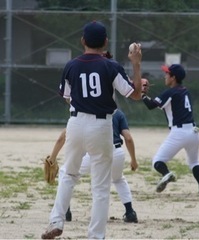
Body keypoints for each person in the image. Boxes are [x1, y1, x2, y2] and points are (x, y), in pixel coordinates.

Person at [41, 20, 142, 239]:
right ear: (105, 42)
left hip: (76, 123)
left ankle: (56, 221)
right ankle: (96, 236)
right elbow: (134, 95)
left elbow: (67, 97)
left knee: (68, 173)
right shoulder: (111, 66)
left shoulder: (71, 65)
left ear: (83, 41)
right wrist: (136, 63)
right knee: (100, 187)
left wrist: (83, 103)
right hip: (101, 125)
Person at [44, 109, 139, 223]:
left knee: (66, 173)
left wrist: (53, 157)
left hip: (95, 153)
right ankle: (130, 212)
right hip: (117, 152)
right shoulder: (118, 113)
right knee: (118, 179)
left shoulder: (86, 112)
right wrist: (133, 160)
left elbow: (62, 137)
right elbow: (128, 138)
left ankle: (65, 210)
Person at [141, 64, 199, 197]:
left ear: (173, 77)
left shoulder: (171, 92)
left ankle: (167, 174)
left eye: (167, 74)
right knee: (194, 162)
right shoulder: (185, 90)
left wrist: (142, 94)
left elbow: (150, 106)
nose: (165, 76)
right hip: (194, 132)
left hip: (179, 132)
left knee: (157, 161)